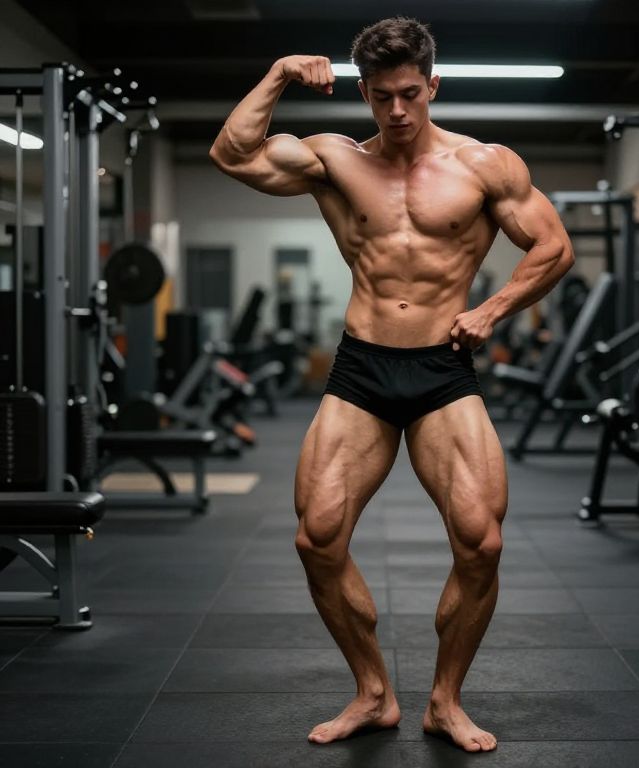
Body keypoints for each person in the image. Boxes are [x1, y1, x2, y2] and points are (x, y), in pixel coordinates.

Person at [209, 16, 574, 754]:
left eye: (411, 93)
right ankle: (373, 691)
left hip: (443, 369)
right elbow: (232, 153)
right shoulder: (335, 160)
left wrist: (493, 309)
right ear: (365, 94)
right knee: (318, 537)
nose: (398, 111)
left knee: (481, 540)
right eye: (382, 97)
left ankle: (445, 700)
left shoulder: (484, 165)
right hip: (362, 369)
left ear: (433, 85)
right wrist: (280, 73)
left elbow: (553, 246)